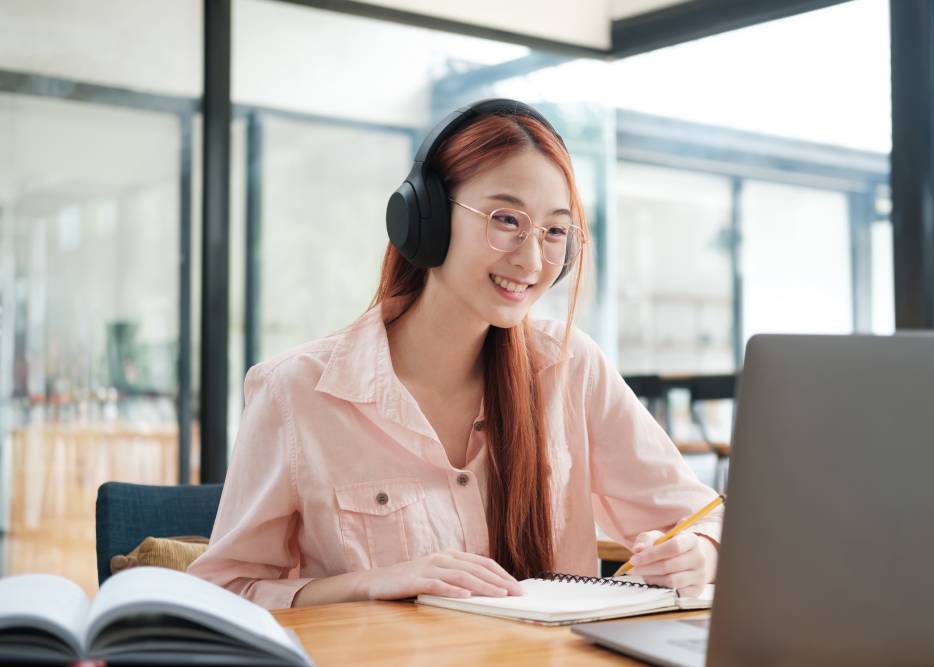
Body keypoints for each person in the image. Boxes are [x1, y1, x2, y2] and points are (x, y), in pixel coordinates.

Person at [187, 99, 723, 610]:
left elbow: (709, 519)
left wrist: (698, 553)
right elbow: (222, 594)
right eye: (506, 220)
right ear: (426, 218)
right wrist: (368, 585)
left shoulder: (569, 366)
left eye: (555, 231)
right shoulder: (297, 391)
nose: (533, 260)